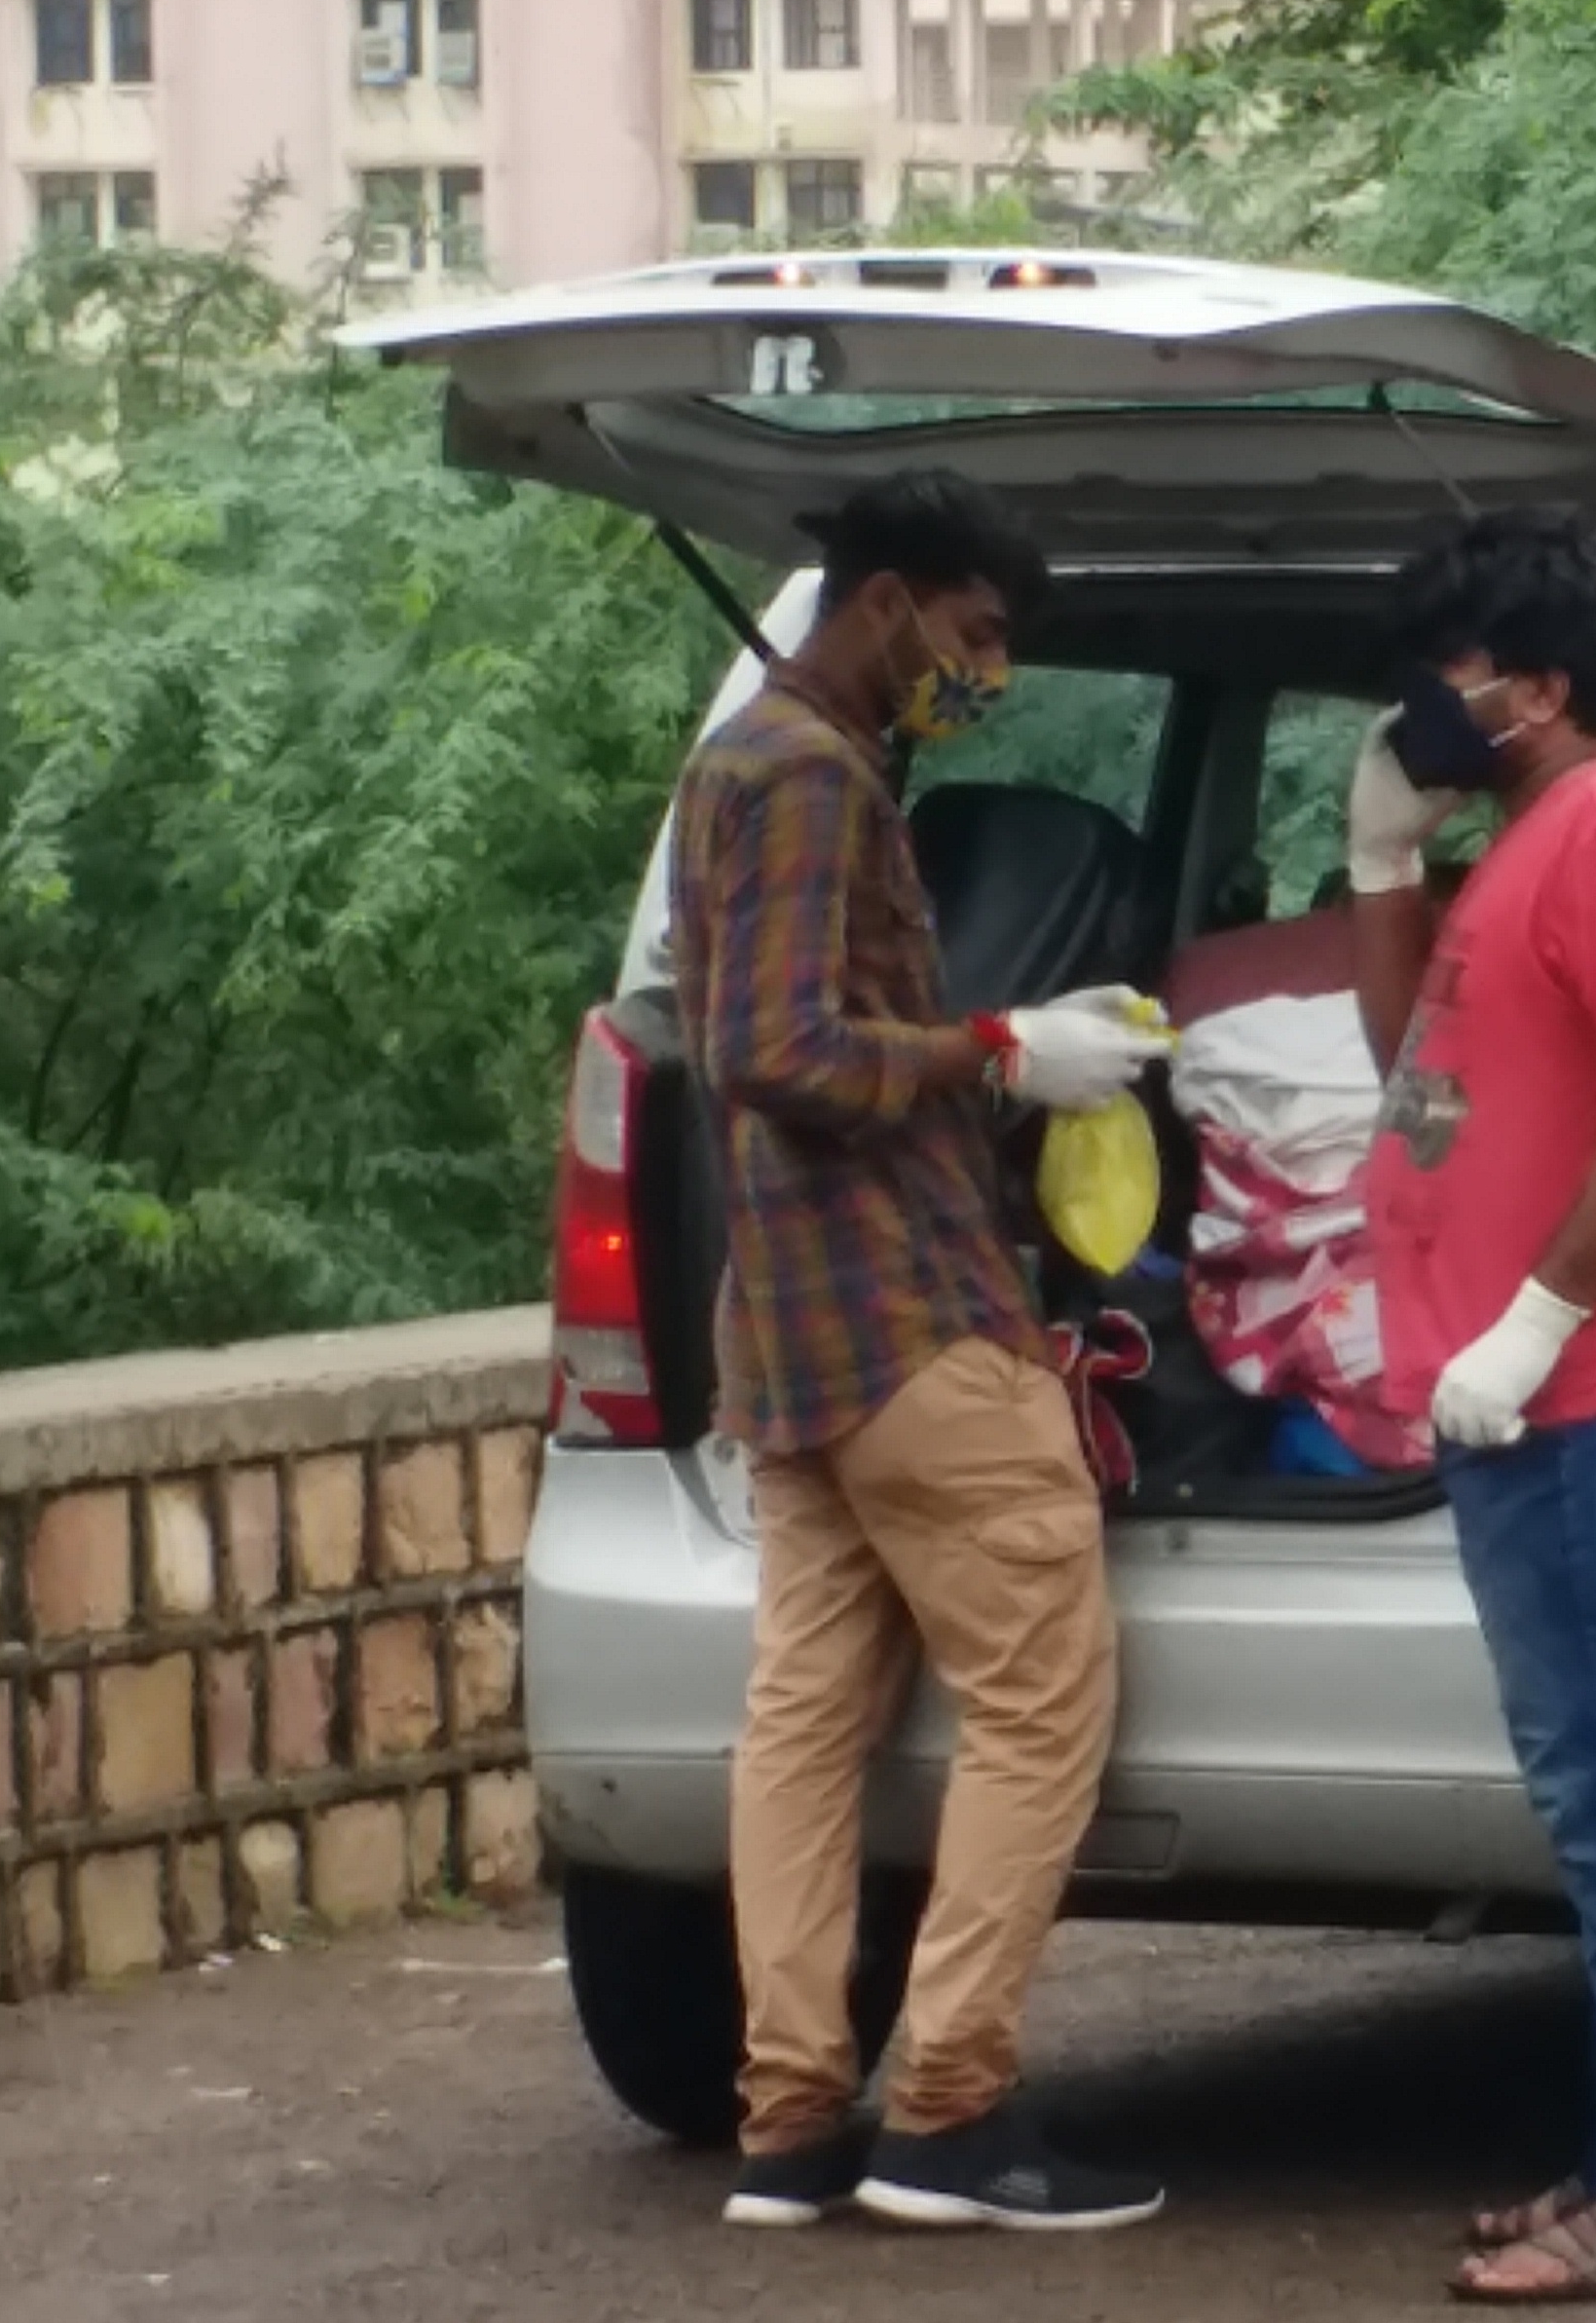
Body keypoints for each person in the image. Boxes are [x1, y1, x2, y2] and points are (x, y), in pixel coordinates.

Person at [665, 467, 1176, 2236]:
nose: (991, 668)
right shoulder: (812, 780)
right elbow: (776, 1049)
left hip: (789, 1348)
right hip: (903, 1321)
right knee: (1045, 1701)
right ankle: (950, 2114)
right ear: (883, 603)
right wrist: (996, 1050)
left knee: (803, 1728)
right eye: (974, 631)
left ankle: (792, 2122)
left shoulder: (736, 767)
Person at [1350, 509, 1596, 2304]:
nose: (1422, 705)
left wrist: (1530, 1324)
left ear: (1545, 684)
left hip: (1586, 1390)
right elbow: (1418, 1087)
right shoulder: (1523, 839)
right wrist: (1381, 871)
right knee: (1593, 1788)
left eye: (1448, 674)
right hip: (1512, 1403)